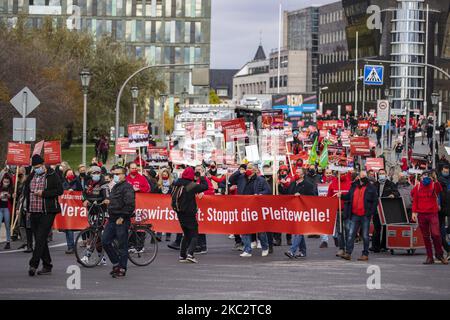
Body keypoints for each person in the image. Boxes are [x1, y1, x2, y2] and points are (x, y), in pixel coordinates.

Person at [23, 155, 64, 276]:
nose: (37, 169)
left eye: (38, 167)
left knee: (40, 238)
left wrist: (44, 193)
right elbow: (26, 190)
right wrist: (26, 208)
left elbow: (59, 190)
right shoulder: (31, 176)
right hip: (34, 211)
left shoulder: (52, 175)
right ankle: (47, 265)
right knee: (40, 240)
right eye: (34, 167)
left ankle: (33, 264)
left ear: (43, 164)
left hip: (48, 211)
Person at [229, 162, 271, 257]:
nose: (248, 169)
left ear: (255, 170)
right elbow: (231, 179)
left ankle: (265, 247)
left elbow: (268, 190)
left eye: (250, 168)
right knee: (245, 229)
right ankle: (247, 250)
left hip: (256, 207)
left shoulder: (260, 180)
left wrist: (260, 195)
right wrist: (239, 171)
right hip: (244, 207)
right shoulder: (241, 178)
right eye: (247, 167)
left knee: (260, 230)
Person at [102, 166, 135, 278]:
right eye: (114, 173)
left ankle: (122, 268)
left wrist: (122, 217)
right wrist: (109, 202)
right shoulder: (116, 186)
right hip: (112, 218)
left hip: (121, 219)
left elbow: (130, 204)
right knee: (105, 241)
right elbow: (115, 200)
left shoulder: (128, 187)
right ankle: (116, 263)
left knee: (122, 245)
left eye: (118, 173)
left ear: (123, 175)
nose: (115, 175)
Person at [171, 167, 208, 263]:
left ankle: (182, 255)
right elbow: (205, 186)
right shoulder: (190, 185)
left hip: (179, 212)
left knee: (186, 234)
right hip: (189, 212)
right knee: (194, 234)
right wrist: (202, 176)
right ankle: (190, 254)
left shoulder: (177, 183)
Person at [411, 171, 448, 265]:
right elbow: (415, 199)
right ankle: (429, 256)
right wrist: (414, 212)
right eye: (424, 176)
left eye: (428, 176)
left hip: (433, 213)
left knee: (436, 234)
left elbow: (439, 189)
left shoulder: (434, 185)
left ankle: (439, 254)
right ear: (421, 177)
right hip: (422, 214)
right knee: (426, 236)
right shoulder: (418, 186)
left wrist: (435, 180)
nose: (425, 177)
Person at [340, 171, 378, 261]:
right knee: (351, 234)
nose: (363, 177)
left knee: (365, 235)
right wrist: (341, 195)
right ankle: (348, 253)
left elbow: (375, 201)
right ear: (359, 177)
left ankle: (365, 254)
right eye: (362, 176)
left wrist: (370, 213)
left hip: (365, 215)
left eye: (365, 176)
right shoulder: (354, 186)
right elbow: (349, 196)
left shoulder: (371, 187)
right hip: (354, 214)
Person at [283, 168, 316, 259]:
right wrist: (281, 185)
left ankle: (292, 251)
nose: (295, 174)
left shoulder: (308, 185)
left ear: (302, 175)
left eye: (297, 173)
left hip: (303, 211)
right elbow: (287, 194)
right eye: (295, 172)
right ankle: (302, 251)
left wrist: (301, 196)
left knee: (298, 231)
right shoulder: (293, 183)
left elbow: (312, 198)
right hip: (293, 211)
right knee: (298, 231)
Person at [81, 166, 109, 264]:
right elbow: (83, 194)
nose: (96, 174)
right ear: (90, 174)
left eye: (98, 172)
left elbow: (106, 195)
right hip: (91, 211)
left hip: (101, 210)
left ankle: (87, 255)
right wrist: (84, 200)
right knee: (96, 234)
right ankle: (102, 257)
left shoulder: (104, 183)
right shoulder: (88, 182)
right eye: (94, 173)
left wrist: (106, 200)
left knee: (95, 232)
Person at [371, 169, 399, 253]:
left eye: (383, 173)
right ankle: (375, 246)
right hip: (377, 209)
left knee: (386, 228)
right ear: (378, 175)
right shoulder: (374, 185)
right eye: (380, 174)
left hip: (387, 209)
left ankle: (384, 245)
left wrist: (393, 195)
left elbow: (397, 193)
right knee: (377, 228)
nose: (381, 175)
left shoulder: (391, 184)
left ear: (386, 174)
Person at [328, 171, 352, 257]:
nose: (342, 176)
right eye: (340, 174)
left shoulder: (350, 184)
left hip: (348, 210)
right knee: (340, 231)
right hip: (337, 210)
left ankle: (348, 250)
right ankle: (341, 248)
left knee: (348, 230)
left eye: (344, 174)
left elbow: (353, 196)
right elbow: (329, 197)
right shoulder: (333, 184)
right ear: (337, 174)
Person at [438, 165, 450, 256]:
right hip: (441, 209)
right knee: (441, 230)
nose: (446, 172)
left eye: (447, 171)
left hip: (446, 207)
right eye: (445, 171)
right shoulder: (439, 181)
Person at [0, 174, 13, 250]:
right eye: (5, 181)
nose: (6, 183)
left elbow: (12, 199)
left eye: (7, 182)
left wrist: (10, 196)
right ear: (2, 181)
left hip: (7, 209)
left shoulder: (11, 189)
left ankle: (8, 242)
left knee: (7, 226)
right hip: (0, 208)